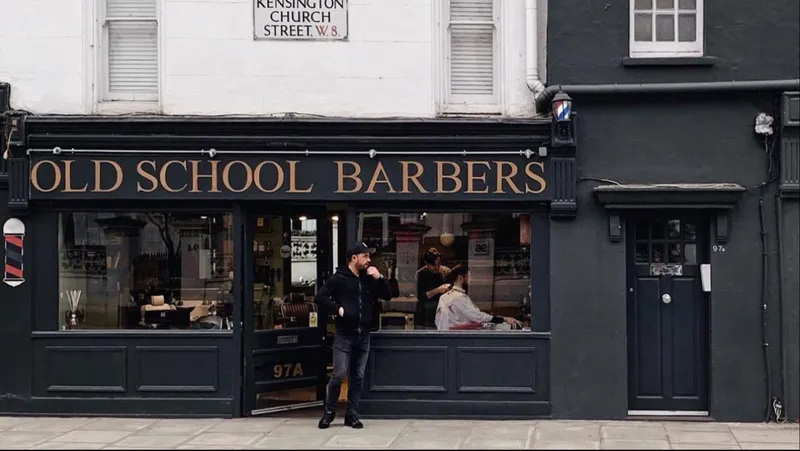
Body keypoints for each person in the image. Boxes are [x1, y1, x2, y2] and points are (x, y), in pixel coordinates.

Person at [315, 242, 392, 429]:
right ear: (354, 258)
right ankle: (329, 412)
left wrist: (380, 277)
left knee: (357, 376)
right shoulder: (339, 278)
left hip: (364, 334)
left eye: (368, 256)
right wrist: (338, 309)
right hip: (344, 334)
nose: (369, 259)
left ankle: (352, 415)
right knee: (339, 374)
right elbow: (320, 297)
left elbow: (388, 295)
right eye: (365, 256)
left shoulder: (368, 278)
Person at [435, 264, 522, 331]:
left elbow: (437, 322)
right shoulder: (458, 298)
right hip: (460, 338)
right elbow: (479, 317)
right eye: (469, 277)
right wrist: (504, 319)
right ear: (460, 278)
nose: (471, 281)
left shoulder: (443, 297)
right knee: (508, 326)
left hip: (449, 336)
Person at [415, 247, 451, 329]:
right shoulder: (421, 274)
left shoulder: (446, 272)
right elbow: (422, 296)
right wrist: (438, 290)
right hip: (428, 312)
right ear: (427, 264)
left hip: (444, 311)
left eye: (438, 264)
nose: (436, 267)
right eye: (433, 265)